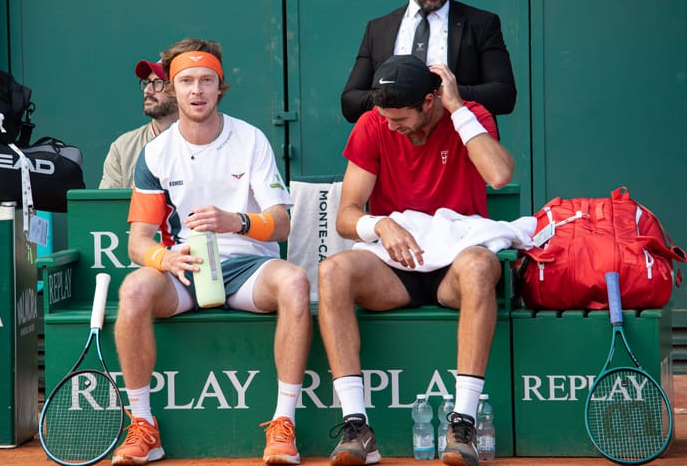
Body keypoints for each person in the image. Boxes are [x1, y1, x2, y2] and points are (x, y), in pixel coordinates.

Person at [111, 38, 312, 465]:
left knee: (294, 281)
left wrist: (236, 221)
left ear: (221, 88)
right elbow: (137, 241)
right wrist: (163, 259)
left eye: (207, 81)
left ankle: (283, 423)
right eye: (186, 81)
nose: (197, 90)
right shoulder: (155, 154)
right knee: (133, 290)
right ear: (170, 88)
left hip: (249, 266)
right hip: (186, 270)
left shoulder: (251, 139)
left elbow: (282, 223)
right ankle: (143, 425)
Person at [318, 54, 514, 466]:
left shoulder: (469, 115)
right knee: (332, 270)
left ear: (430, 101)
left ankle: (463, 423)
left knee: (481, 266)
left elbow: (498, 175)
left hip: (454, 266)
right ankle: (357, 426)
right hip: (394, 265)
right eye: (385, 117)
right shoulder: (373, 123)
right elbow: (347, 215)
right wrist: (381, 225)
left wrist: (457, 107)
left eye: (399, 118)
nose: (390, 126)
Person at [340, 0, 516, 124]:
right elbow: (350, 102)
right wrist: (397, 96)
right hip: (397, 148)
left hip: (459, 145)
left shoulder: (481, 24)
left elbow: (504, 95)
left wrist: (447, 95)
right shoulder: (378, 29)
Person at [98, 59, 178, 189]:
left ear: (180, 90)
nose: (147, 90)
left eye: (157, 83)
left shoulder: (204, 142)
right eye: (146, 83)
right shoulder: (123, 147)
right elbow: (108, 206)